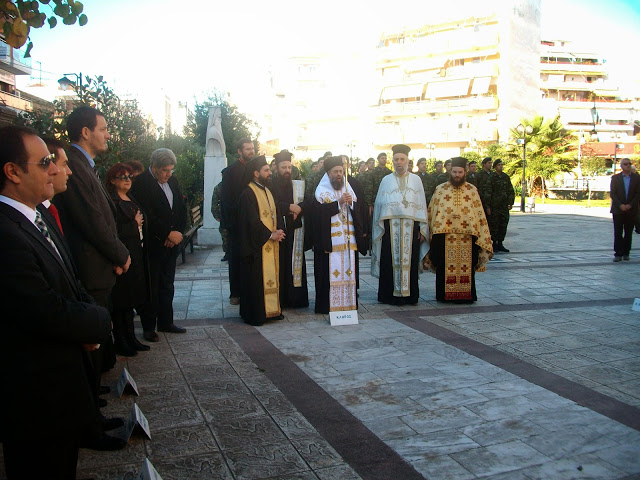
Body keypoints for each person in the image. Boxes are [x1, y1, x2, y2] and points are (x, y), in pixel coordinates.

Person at [0, 126, 112, 478]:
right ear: (13, 172)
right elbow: (42, 308)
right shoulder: (6, 232)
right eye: (45, 161)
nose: (54, 169)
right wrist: (96, 323)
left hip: (58, 388)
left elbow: (69, 278)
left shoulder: (33, 217)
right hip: (35, 397)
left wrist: (89, 319)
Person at [130, 148, 187, 341]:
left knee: (167, 284)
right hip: (153, 245)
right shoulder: (141, 184)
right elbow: (146, 214)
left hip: (171, 244)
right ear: (153, 167)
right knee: (151, 286)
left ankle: (166, 322)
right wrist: (165, 233)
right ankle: (149, 327)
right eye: (165, 170)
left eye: (171, 170)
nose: (169, 174)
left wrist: (178, 233)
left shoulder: (172, 180)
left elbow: (180, 207)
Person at [424, 157, 493, 302]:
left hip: (468, 237)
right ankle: (444, 295)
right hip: (444, 236)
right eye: (454, 172)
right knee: (443, 264)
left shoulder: (472, 190)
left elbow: (479, 214)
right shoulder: (440, 189)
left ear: (465, 172)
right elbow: (433, 212)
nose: (457, 175)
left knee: (467, 265)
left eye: (460, 172)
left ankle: (466, 295)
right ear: (450, 171)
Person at [371, 144, 428, 305]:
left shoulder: (416, 180)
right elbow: (380, 206)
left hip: (412, 228)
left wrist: (422, 230)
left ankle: (410, 296)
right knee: (389, 262)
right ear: (393, 161)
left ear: (408, 161)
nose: (399, 162)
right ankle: (388, 296)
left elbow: (421, 204)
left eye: (402, 159)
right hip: (390, 229)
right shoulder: (386, 180)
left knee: (410, 262)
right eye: (396, 159)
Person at [105, 163, 150, 355]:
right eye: (123, 177)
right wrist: (134, 225)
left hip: (136, 254)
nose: (128, 181)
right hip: (123, 255)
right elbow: (113, 231)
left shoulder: (130, 198)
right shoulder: (113, 202)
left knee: (131, 299)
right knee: (121, 301)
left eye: (130, 177)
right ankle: (121, 341)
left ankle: (131, 338)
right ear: (113, 180)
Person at [312, 156, 367, 314]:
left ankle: (348, 303)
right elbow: (318, 214)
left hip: (348, 242)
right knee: (327, 274)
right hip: (330, 242)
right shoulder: (321, 191)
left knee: (349, 272)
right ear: (328, 173)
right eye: (335, 171)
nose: (339, 174)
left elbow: (358, 211)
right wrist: (338, 203)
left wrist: (351, 203)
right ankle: (327, 305)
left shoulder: (348, 188)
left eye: (341, 171)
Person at [237, 155, 286, 325]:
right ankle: (257, 313)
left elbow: (276, 212)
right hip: (255, 246)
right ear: (256, 173)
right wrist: (269, 235)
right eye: (266, 170)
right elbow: (251, 221)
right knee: (256, 279)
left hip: (270, 242)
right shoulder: (248, 193)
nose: (270, 172)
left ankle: (272, 311)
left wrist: (279, 230)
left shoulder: (267, 190)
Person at [271, 149, 309, 308]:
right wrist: (289, 207)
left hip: (295, 231)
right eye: (283, 167)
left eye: (289, 167)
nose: (287, 171)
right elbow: (270, 205)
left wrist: (299, 209)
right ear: (276, 168)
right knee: (282, 265)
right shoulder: (270, 185)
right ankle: (282, 300)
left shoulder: (297, 184)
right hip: (279, 232)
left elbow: (308, 202)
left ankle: (297, 300)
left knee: (296, 264)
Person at [221, 138, 255, 305]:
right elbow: (226, 201)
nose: (251, 151)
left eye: (252, 148)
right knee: (235, 258)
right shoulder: (230, 171)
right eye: (247, 149)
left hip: (254, 222)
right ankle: (236, 293)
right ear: (239, 151)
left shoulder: (257, 168)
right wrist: (231, 224)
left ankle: (250, 290)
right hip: (236, 223)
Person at [610, 158, 639, 261]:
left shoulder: (636, 178)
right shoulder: (615, 178)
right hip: (618, 210)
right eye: (625, 164)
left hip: (631, 210)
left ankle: (626, 252)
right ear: (621, 166)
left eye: (629, 164)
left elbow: (637, 194)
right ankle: (618, 253)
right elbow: (613, 193)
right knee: (618, 232)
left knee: (628, 232)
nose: (628, 166)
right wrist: (620, 205)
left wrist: (630, 205)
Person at [488, 158, 515, 252]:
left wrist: (510, 202)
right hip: (494, 206)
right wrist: (488, 206)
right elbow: (488, 191)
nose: (501, 166)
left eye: (501, 164)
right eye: (499, 165)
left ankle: (500, 243)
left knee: (503, 224)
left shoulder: (505, 177)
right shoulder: (491, 177)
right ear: (495, 167)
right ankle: (494, 243)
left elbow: (510, 190)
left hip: (503, 206)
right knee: (494, 224)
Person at [211, 172, 228, 261]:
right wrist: (216, 215)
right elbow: (214, 203)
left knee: (226, 235)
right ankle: (228, 253)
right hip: (225, 216)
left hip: (228, 216)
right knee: (225, 235)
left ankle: (228, 253)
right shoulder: (219, 188)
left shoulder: (232, 186)